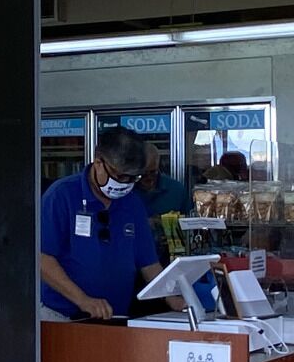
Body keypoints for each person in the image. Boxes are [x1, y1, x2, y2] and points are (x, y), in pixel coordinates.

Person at [39, 126, 187, 321]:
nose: (125, 183)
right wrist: (83, 300)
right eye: (119, 176)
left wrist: (171, 297)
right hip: (62, 315)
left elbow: (148, 263)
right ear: (98, 162)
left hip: (115, 316)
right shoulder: (62, 195)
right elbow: (42, 259)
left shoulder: (132, 202)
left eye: (133, 178)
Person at [137, 146, 192, 218]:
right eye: (143, 174)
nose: (149, 177)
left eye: (152, 172)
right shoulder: (126, 189)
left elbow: (189, 220)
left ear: (159, 166)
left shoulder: (176, 189)